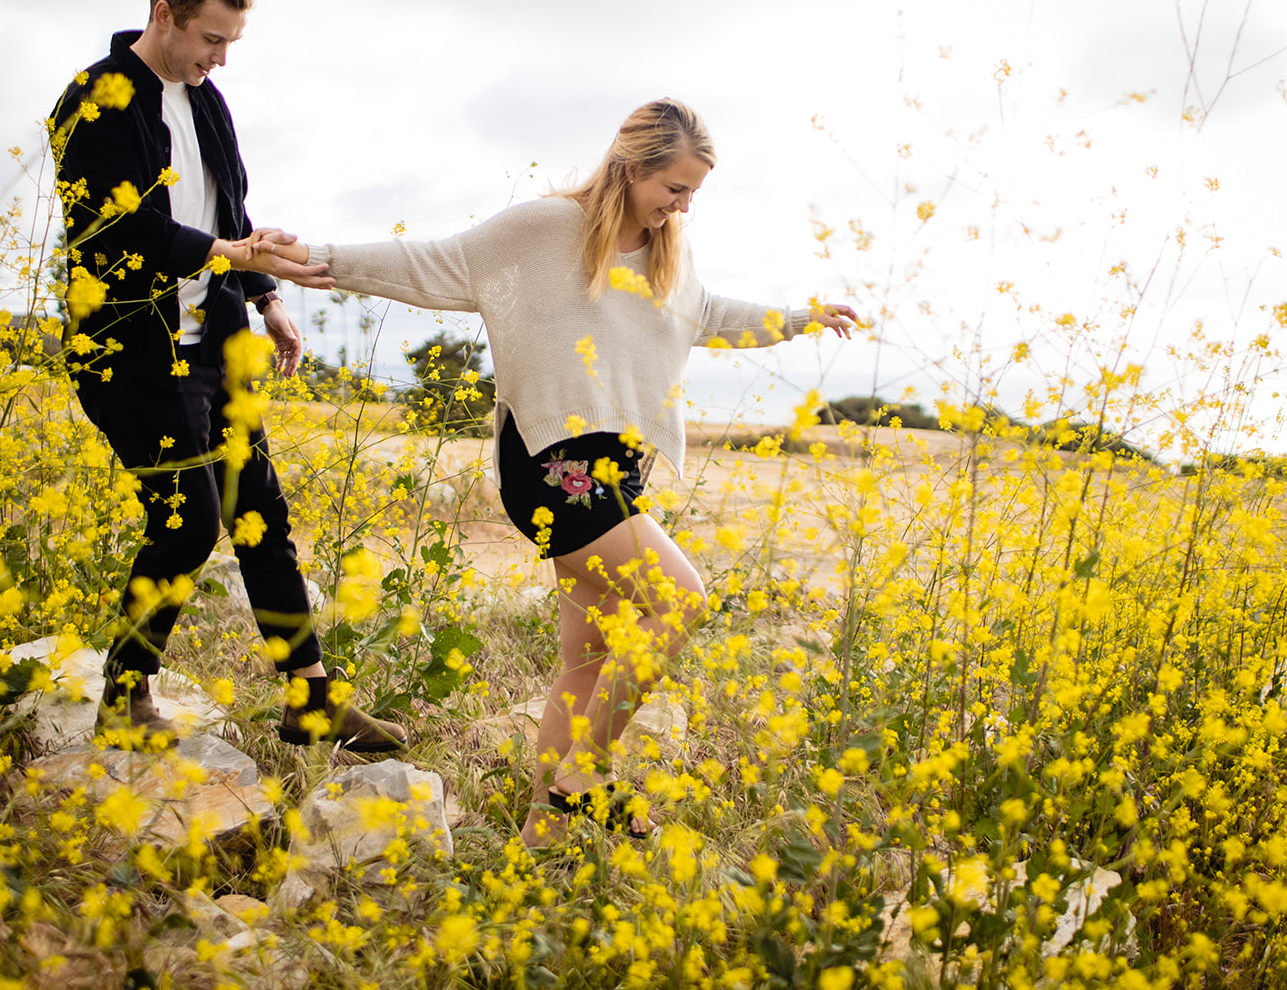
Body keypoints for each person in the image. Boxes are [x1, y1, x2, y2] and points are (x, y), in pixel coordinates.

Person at [248, 99, 857, 844]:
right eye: (674, 188)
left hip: (617, 473)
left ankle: (539, 840)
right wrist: (322, 262)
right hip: (550, 463)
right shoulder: (542, 230)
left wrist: (801, 317)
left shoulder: (671, 254)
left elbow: (712, 313)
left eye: (694, 193)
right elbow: (436, 260)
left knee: (587, 657)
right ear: (631, 167)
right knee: (679, 599)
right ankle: (585, 775)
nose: (682, 206)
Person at [49, 0, 404, 753]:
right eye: (211, 40)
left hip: (214, 341)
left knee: (260, 513)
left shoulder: (207, 102)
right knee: (188, 520)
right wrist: (233, 256)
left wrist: (265, 293)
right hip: (130, 347)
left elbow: (230, 212)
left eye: (232, 44)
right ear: (164, 15)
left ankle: (310, 696)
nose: (219, 59)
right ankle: (125, 694)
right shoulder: (95, 99)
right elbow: (113, 232)